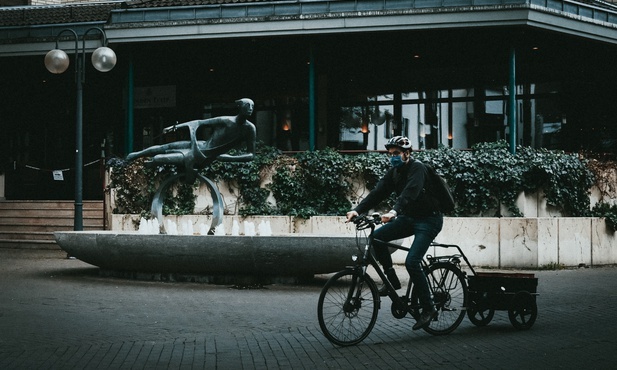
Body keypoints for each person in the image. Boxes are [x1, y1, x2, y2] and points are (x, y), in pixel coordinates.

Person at [345, 136, 443, 331]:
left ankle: (429, 308)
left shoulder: (418, 168)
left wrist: (393, 211)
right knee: (377, 237)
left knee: (412, 262)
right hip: (409, 218)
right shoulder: (395, 173)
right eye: (390, 154)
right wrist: (358, 209)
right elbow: (378, 192)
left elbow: (411, 192)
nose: (393, 158)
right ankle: (392, 280)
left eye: (396, 154)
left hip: (429, 219)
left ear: (407, 153)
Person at [126, 98, 256, 173]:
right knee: (164, 147)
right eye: (247, 105)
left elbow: (251, 155)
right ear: (240, 107)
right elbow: (198, 123)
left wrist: (227, 158)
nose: (250, 108)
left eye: (252, 106)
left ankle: (149, 163)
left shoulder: (250, 129)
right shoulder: (226, 121)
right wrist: (174, 127)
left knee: (160, 158)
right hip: (199, 145)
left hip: (203, 156)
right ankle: (136, 155)